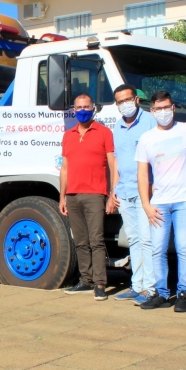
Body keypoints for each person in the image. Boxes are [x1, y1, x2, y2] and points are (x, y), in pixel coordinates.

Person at [136, 91, 186, 312]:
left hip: (185, 200)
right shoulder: (147, 138)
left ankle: (183, 293)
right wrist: (146, 204)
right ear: (152, 111)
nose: (163, 112)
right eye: (159, 109)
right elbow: (142, 174)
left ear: (173, 108)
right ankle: (161, 293)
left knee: (184, 248)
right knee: (158, 249)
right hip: (159, 202)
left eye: (167, 108)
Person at [59, 94, 119, 301]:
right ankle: (86, 280)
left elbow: (112, 165)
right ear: (73, 110)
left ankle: (100, 284)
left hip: (95, 194)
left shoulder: (104, 133)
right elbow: (64, 169)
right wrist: (62, 197)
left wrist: (112, 194)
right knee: (81, 241)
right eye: (79, 107)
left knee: (97, 241)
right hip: (72, 195)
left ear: (93, 108)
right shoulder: (68, 135)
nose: (83, 110)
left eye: (86, 107)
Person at [110, 85, 157, 305]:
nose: (124, 105)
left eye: (127, 100)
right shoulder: (117, 126)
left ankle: (150, 288)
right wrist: (114, 190)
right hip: (124, 191)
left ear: (136, 100)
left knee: (147, 240)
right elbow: (117, 160)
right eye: (120, 102)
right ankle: (137, 285)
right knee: (134, 240)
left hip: (145, 191)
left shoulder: (150, 122)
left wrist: (153, 188)